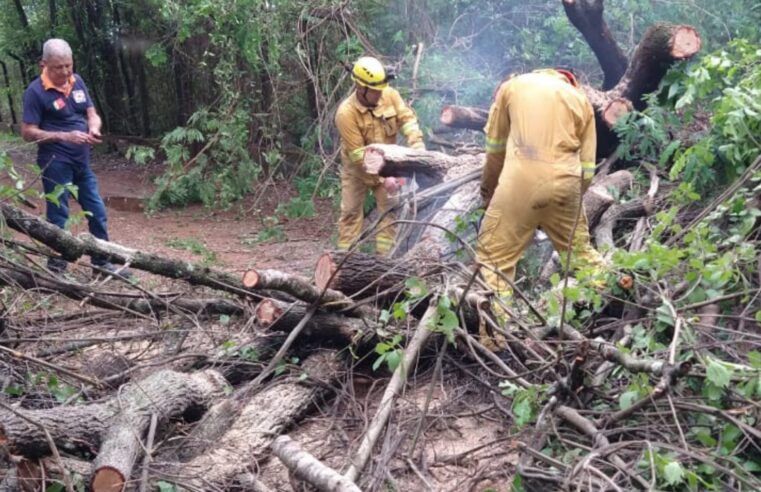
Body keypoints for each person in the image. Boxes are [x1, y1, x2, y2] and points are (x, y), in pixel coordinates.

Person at [476, 68, 605, 307]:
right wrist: (567, 200)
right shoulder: (581, 100)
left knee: (493, 260)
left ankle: (497, 335)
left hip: (521, 181)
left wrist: (489, 193)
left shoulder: (513, 86)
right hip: (567, 183)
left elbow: (495, 152)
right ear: (568, 80)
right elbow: (587, 169)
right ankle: (620, 293)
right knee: (582, 257)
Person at [21, 38, 130, 278]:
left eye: (68, 65)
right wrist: (63, 135)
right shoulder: (35, 92)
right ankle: (57, 270)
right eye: (58, 67)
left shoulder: (77, 82)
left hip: (82, 163)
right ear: (44, 63)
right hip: (55, 162)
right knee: (58, 215)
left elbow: (92, 113)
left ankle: (101, 264)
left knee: (96, 210)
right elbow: (28, 132)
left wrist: (94, 128)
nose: (65, 71)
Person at [334, 56, 425, 255]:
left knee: (390, 213)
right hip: (357, 171)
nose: (379, 94)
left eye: (380, 89)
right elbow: (359, 157)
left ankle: (384, 262)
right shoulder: (346, 113)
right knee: (350, 213)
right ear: (360, 87)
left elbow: (407, 120)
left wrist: (417, 146)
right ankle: (345, 262)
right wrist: (384, 178)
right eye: (374, 90)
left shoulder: (390, 95)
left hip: (389, 166)